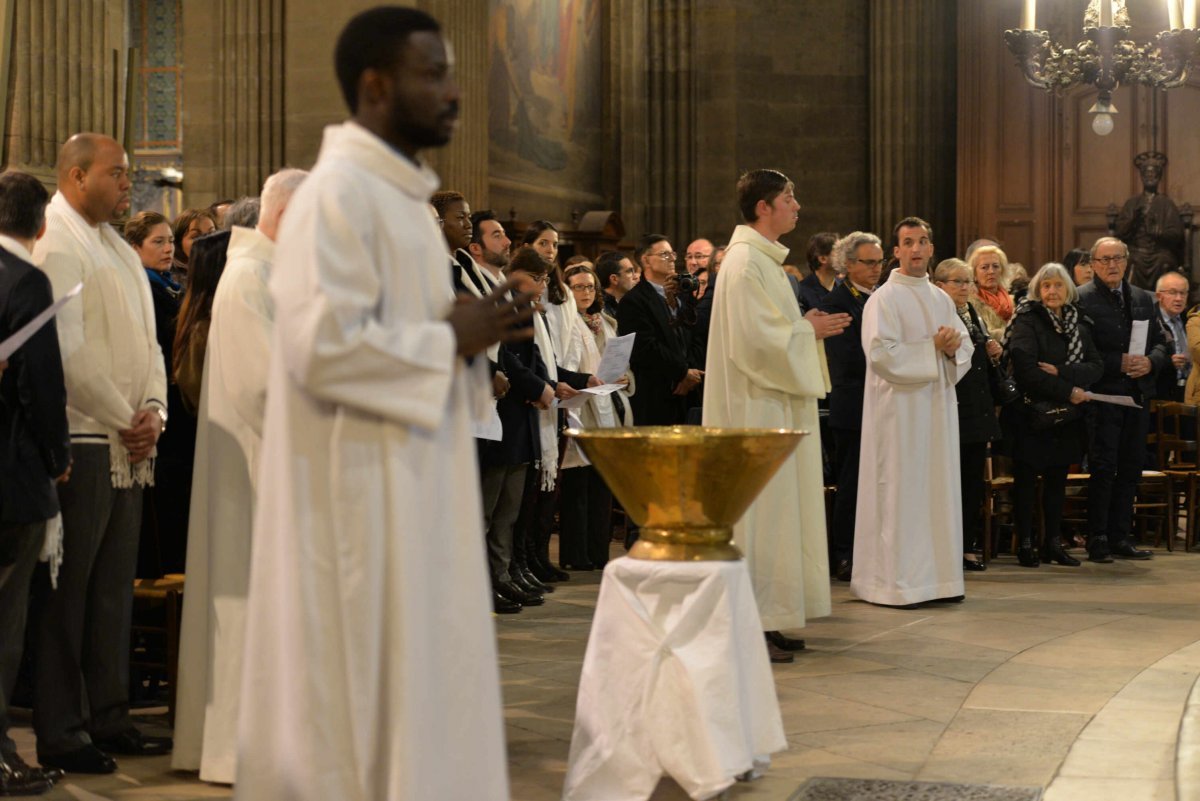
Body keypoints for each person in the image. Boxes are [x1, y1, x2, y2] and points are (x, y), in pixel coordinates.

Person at [234, 9, 534, 798]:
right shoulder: (338, 196)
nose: (454, 92)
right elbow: (319, 348)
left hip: (414, 485)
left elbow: (404, 338)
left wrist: (475, 334)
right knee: (363, 710)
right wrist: (451, 337)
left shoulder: (402, 202)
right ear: (375, 86)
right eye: (432, 74)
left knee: (423, 700)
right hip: (358, 501)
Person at [32, 133, 171, 774]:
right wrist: (125, 418)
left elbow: (151, 345)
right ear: (77, 174)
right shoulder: (57, 240)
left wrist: (155, 411)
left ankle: (110, 715)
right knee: (72, 595)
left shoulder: (116, 247)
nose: (126, 185)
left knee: (114, 588)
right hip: (87, 440)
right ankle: (62, 728)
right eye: (117, 174)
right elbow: (68, 348)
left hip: (129, 442)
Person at [172, 168, 307, 783]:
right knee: (247, 608)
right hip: (255, 470)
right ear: (283, 216)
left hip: (266, 466)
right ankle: (239, 748)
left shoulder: (263, 273)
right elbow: (262, 385)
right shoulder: (251, 278)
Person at [704, 169, 850, 664]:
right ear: (763, 207)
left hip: (775, 401)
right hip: (755, 407)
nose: (797, 206)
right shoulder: (745, 263)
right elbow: (754, 342)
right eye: (789, 198)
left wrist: (804, 330)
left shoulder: (762, 261)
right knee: (761, 514)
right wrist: (806, 330)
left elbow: (775, 331)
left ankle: (772, 614)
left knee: (779, 514)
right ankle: (751, 620)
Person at [852, 216, 973, 608]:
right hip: (899, 415)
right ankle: (895, 583)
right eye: (909, 242)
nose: (917, 249)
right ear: (897, 251)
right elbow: (880, 355)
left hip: (936, 409)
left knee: (936, 489)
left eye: (923, 241)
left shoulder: (941, 298)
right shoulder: (882, 299)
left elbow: (963, 347)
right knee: (901, 492)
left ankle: (938, 580)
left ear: (932, 248)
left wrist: (953, 349)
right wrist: (932, 349)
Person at [0, 170, 70, 796]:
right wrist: (57, 456)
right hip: (11, 476)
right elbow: (41, 383)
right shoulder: (26, 279)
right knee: (4, 620)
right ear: (42, 222)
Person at [472, 234, 555, 613]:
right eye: (536, 277)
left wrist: (549, 384)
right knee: (490, 509)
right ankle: (488, 580)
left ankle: (504, 575)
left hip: (519, 416)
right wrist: (538, 387)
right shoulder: (490, 295)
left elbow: (533, 356)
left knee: (510, 510)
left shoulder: (520, 304)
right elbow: (506, 355)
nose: (541, 286)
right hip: (500, 414)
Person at [1077, 236, 1170, 562]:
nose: (1112, 265)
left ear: (1127, 261)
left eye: (1117, 258)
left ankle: (1120, 536)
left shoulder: (1143, 298)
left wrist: (1150, 362)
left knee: (1131, 467)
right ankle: (1098, 537)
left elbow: (1162, 342)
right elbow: (1082, 352)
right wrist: (1118, 362)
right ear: (1094, 265)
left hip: (1137, 393)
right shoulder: (1082, 299)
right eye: (1104, 260)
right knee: (1103, 467)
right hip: (1103, 396)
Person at [1003, 263, 1102, 568]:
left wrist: (1063, 373)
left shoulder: (1078, 322)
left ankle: (1053, 543)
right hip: (1031, 414)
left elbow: (1096, 366)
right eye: (1046, 286)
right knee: (1026, 481)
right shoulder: (1027, 320)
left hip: (1065, 416)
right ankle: (1027, 544)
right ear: (1037, 290)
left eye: (1058, 285)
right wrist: (1067, 390)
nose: (1052, 291)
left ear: (1068, 289)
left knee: (1058, 480)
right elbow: (1026, 370)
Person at [124, 211, 193, 575]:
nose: (168, 249)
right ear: (135, 248)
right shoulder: (145, 288)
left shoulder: (171, 286)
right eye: (158, 242)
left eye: (169, 241)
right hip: (160, 404)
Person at [821, 232, 883, 582]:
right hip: (854, 406)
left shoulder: (881, 298)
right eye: (869, 262)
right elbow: (847, 360)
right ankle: (844, 553)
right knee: (853, 484)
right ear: (848, 265)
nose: (877, 269)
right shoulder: (837, 304)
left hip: (881, 405)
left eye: (879, 262)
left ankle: (873, 550)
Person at [933, 258, 1001, 572]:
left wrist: (992, 349)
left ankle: (967, 544)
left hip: (976, 407)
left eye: (967, 282)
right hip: (952, 405)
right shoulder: (936, 313)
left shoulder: (972, 312)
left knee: (972, 481)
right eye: (957, 282)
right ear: (939, 285)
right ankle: (949, 546)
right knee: (951, 482)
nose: (965, 288)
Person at [617, 233, 700, 424]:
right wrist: (681, 373)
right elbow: (645, 347)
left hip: (689, 391)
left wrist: (691, 372)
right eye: (664, 254)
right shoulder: (634, 301)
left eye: (673, 254)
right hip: (658, 392)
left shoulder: (683, 294)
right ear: (646, 260)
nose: (671, 259)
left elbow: (695, 334)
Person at [1115, 151, 1185, 290]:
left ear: (1159, 177)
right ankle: (1131, 302)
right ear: (1142, 177)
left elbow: (1177, 234)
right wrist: (1134, 220)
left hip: (1159, 251)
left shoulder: (1166, 203)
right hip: (1136, 250)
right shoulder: (1132, 203)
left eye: (1154, 175)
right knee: (1131, 261)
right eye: (1147, 174)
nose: (1150, 177)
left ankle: (1162, 301)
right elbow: (1120, 232)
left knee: (1163, 261)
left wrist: (1158, 233)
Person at [1153, 271, 1190, 403]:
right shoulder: (1150, 321)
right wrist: (1169, 362)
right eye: (1173, 292)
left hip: (1188, 391)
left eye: (1183, 293)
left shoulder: (1190, 320)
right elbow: (1140, 358)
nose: (1179, 298)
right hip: (1160, 393)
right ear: (1159, 295)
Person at [968, 244, 1014, 341]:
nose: (991, 271)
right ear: (974, 274)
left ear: (1002, 270)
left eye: (996, 266)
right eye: (984, 267)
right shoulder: (968, 304)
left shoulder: (1014, 301)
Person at [169, 208, 217, 288]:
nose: (207, 240)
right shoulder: (173, 282)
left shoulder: (225, 269)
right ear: (178, 243)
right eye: (196, 236)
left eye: (212, 234)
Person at [797, 231, 838, 312]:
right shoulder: (801, 292)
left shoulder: (846, 286)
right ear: (823, 259)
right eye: (838, 252)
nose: (845, 256)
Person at [596, 250, 639, 317]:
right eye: (629, 271)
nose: (635, 276)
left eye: (634, 271)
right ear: (614, 279)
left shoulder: (633, 301)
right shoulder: (599, 308)